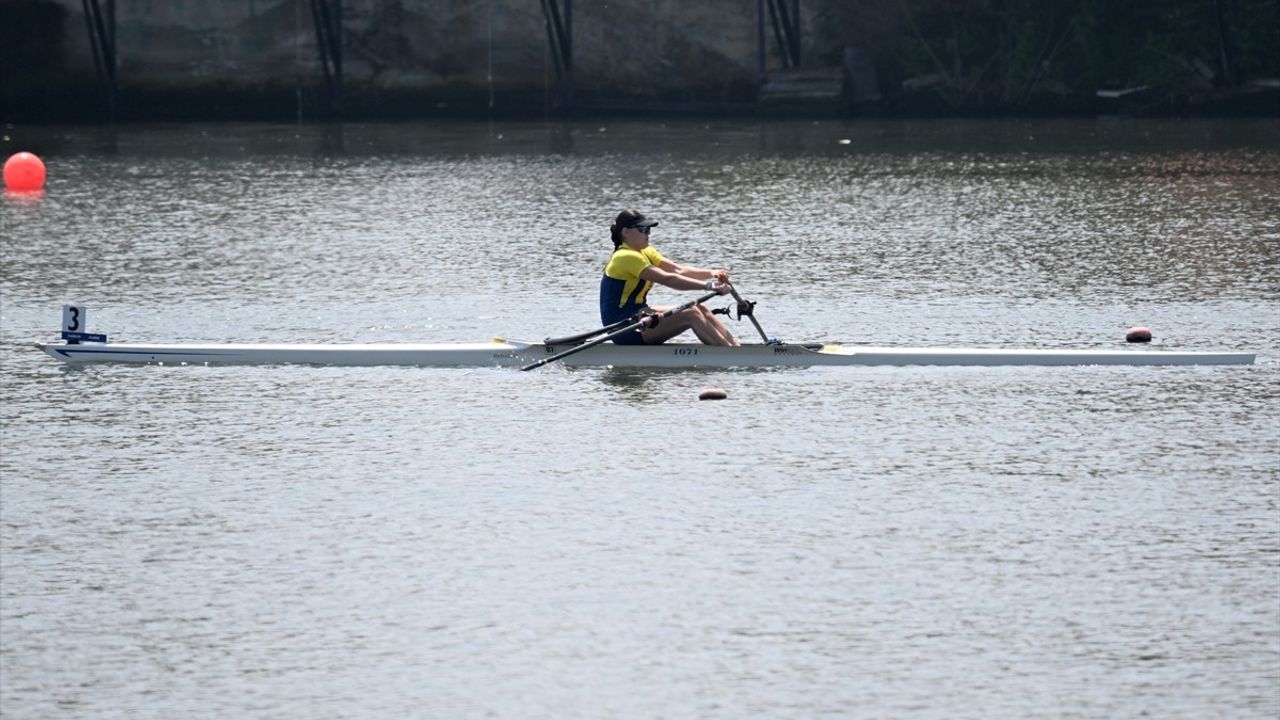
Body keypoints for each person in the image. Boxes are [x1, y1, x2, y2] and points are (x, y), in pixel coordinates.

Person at [599, 209, 740, 346]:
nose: (648, 234)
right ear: (626, 232)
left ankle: (734, 348)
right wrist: (710, 286)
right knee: (691, 314)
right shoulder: (624, 256)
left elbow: (679, 270)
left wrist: (712, 273)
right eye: (643, 229)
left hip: (640, 315)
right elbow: (667, 279)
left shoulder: (646, 252)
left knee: (699, 308)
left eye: (649, 230)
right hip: (623, 327)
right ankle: (731, 356)